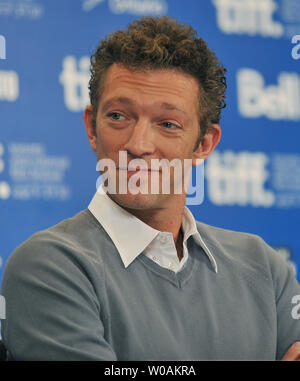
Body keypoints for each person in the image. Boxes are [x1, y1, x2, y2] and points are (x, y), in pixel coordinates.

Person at [1, 16, 300, 361]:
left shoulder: (263, 266)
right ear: (91, 127)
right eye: (118, 116)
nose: (139, 144)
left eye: (168, 123)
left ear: (204, 144)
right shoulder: (49, 267)